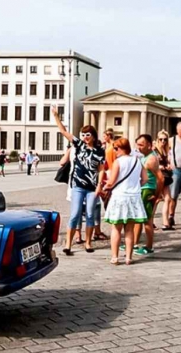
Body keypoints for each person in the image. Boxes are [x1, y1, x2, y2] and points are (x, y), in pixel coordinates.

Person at [54, 108, 104, 255]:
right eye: (83, 134)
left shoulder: (99, 151)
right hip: (78, 186)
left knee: (89, 214)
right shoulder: (79, 145)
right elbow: (63, 132)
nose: (85, 137)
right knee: (75, 214)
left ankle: (88, 243)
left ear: (93, 136)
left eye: (88, 134)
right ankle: (68, 244)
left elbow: (101, 169)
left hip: (92, 187)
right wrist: (56, 116)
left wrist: (99, 186)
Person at [100, 137, 147, 264]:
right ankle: (128, 257)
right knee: (129, 229)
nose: (114, 151)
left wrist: (104, 186)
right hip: (134, 198)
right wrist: (135, 186)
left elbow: (111, 181)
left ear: (120, 148)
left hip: (120, 197)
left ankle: (115, 257)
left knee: (116, 228)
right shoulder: (138, 161)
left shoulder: (118, 162)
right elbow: (145, 179)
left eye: (115, 149)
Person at [134, 135, 163, 257]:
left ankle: (149, 246)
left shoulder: (151, 159)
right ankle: (134, 243)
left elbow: (160, 178)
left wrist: (157, 195)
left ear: (149, 145)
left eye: (141, 145)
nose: (138, 147)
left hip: (148, 190)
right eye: (137, 144)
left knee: (147, 220)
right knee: (137, 219)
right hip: (142, 189)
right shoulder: (144, 157)